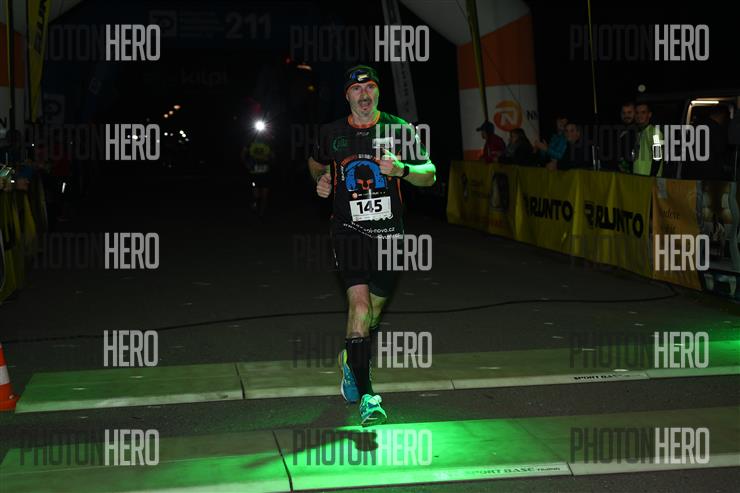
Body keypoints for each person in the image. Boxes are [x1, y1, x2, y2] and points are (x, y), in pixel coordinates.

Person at [308, 65, 436, 426]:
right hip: (347, 230)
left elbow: (430, 174)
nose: (364, 94)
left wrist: (403, 170)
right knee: (360, 306)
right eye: (356, 89)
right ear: (347, 95)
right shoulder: (331, 133)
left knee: (373, 312)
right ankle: (368, 396)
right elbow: (315, 162)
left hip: (389, 235)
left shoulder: (399, 129)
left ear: (377, 92)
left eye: (370, 87)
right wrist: (322, 178)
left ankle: (351, 360)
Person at [241, 134, 275, 217]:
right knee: (256, 195)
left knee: (265, 196)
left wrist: (269, 160)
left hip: (266, 174)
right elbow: (242, 154)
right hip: (254, 175)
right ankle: (254, 205)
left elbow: (273, 156)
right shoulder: (250, 142)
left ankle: (261, 214)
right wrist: (246, 164)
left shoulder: (268, 143)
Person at [632, 102, 663, 177]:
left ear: (649, 114)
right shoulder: (637, 133)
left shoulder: (655, 132)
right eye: (637, 113)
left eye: (643, 112)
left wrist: (651, 178)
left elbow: (657, 157)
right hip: (636, 178)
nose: (639, 115)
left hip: (648, 180)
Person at [615, 102, 637, 172]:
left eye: (629, 112)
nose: (626, 116)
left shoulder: (640, 130)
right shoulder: (617, 131)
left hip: (638, 172)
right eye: (624, 113)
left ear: (635, 113)